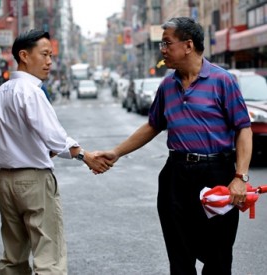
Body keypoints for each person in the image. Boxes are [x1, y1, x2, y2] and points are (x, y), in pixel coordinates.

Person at [97, 17, 252, 275]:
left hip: (217, 175)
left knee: (218, 257)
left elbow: (243, 128)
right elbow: (153, 125)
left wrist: (240, 177)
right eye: (161, 44)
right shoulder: (167, 85)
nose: (163, 49)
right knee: (180, 258)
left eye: (167, 43)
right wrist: (116, 152)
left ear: (188, 45)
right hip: (176, 176)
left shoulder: (222, 81)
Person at [0, 29, 111, 275]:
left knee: (13, 257)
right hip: (33, 180)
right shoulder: (31, 91)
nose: (49, 62)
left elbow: (1, 140)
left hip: (5, 181)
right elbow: (55, 139)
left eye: (51, 55)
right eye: (44, 54)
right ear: (24, 55)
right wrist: (85, 156)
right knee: (49, 258)